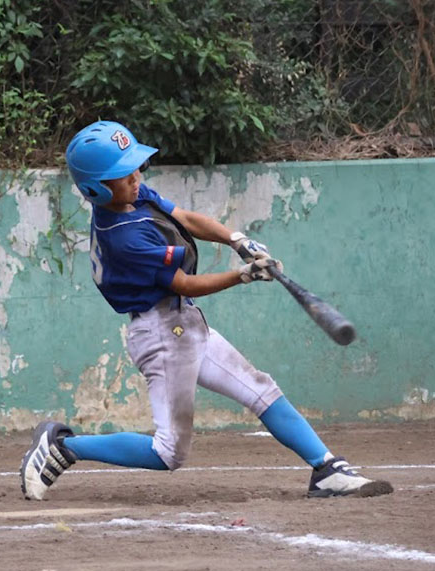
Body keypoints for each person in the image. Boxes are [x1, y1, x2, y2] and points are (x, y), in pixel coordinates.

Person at [20, 120, 392, 500]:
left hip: (185, 323)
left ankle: (326, 468)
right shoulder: (125, 236)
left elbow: (185, 219)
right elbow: (182, 283)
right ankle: (65, 445)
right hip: (163, 336)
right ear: (95, 189)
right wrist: (243, 276)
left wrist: (237, 239)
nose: (134, 176)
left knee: (260, 389)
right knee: (168, 452)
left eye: (133, 167)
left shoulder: (132, 197)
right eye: (122, 173)